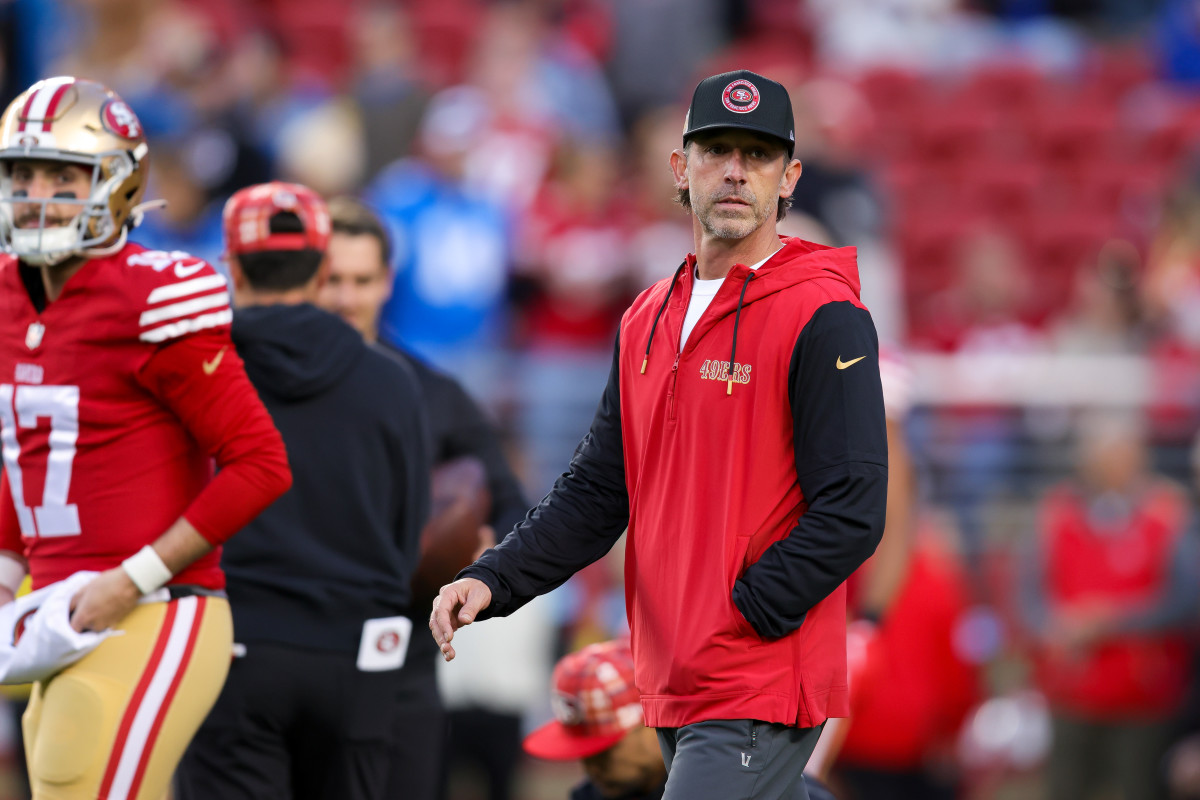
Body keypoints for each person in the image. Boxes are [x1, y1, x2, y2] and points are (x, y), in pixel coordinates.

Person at [432, 69, 888, 800]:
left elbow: (855, 507)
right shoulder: (646, 315)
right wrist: (494, 577)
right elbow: (598, 491)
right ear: (681, 168)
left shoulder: (825, 314)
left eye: (758, 154)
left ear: (790, 177)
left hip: (752, 678)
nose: (736, 171)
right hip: (671, 677)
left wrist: (742, 615)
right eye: (717, 150)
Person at [0, 77, 292, 800]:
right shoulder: (5, 292)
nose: (38, 194)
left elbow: (262, 464)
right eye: (23, 173)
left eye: (62, 176)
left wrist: (131, 578)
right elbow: (25, 456)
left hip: (156, 608)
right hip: (51, 609)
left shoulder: (156, 295)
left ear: (119, 184)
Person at [174, 182, 432, 800]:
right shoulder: (392, 381)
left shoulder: (194, 368)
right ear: (322, 269)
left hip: (229, 643)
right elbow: (410, 526)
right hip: (357, 651)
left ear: (230, 265)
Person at [318, 195, 529, 800]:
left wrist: (478, 551)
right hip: (288, 649)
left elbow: (512, 508)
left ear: (388, 282)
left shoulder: (432, 394)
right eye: (331, 278)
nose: (345, 297)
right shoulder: (259, 380)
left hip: (399, 655)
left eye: (361, 280)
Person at [1018, 411, 1199, 800]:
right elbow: (1029, 594)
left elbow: (1183, 601)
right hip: (1069, 691)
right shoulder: (1057, 511)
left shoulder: (1167, 513)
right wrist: (1054, 626)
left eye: (1121, 452)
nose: (1111, 463)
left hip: (1144, 697)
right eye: (1102, 453)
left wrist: (1110, 621)